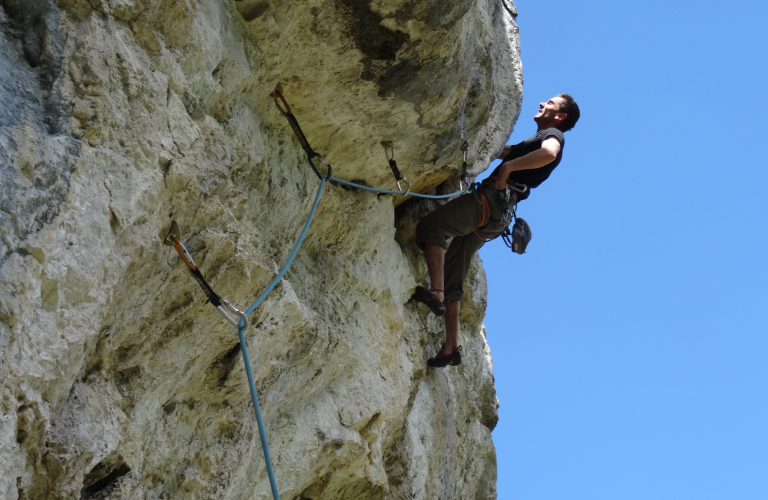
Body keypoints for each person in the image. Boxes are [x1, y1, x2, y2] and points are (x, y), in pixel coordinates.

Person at [412, 94, 580, 367]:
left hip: (492, 200)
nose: (542, 104)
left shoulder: (552, 135)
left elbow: (549, 153)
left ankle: (437, 294)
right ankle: (451, 346)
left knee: (433, 227)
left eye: (549, 103)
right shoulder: (528, 144)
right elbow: (499, 150)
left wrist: (508, 169)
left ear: (560, 117)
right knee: (455, 268)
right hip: (498, 218)